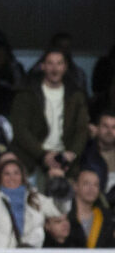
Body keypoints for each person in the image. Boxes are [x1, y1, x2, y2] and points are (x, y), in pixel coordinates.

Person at [10, 48, 90, 182]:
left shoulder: (76, 96)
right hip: (32, 158)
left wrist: (72, 153)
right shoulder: (26, 95)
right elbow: (20, 129)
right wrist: (43, 155)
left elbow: (82, 129)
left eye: (59, 63)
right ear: (43, 66)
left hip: (65, 160)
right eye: (50, 63)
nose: (55, 68)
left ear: (65, 67)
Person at [66, 169, 115, 253]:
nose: (91, 189)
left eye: (96, 185)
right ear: (75, 186)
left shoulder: (106, 217)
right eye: (86, 183)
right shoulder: (65, 215)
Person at [81, 110, 115, 201]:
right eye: (105, 126)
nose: (109, 131)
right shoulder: (86, 152)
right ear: (97, 128)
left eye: (113, 127)